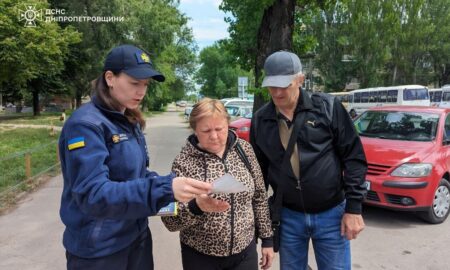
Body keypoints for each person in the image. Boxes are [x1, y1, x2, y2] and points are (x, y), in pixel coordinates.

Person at [58, 44, 213, 270]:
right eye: (134, 83)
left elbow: (137, 176)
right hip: (101, 250)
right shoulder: (86, 124)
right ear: (110, 78)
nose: (141, 91)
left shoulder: (127, 119)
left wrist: (182, 193)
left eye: (145, 85)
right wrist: (166, 189)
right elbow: (93, 194)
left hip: (136, 236)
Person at [250, 51, 368, 270]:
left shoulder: (327, 108)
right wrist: (261, 228)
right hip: (288, 216)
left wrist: (354, 208)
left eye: (284, 85)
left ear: (300, 79)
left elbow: (354, 158)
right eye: (271, 85)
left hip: (332, 214)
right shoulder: (261, 120)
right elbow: (258, 175)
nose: (276, 92)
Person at [161, 98, 274, 270]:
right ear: (195, 130)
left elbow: (259, 196)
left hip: (244, 252)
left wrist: (267, 239)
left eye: (219, 129)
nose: (214, 136)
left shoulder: (245, 150)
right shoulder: (183, 162)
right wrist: (196, 207)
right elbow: (169, 220)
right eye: (206, 130)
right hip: (200, 255)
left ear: (228, 124)